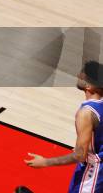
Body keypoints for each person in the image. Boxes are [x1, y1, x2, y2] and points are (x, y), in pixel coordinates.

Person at [24, 61, 103, 192]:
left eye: (82, 76)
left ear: (89, 86)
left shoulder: (86, 113)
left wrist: (45, 162)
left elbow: (80, 156)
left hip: (94, 172)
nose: (78, 75)